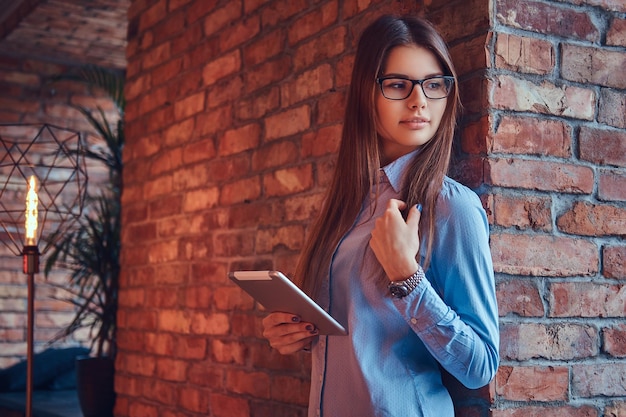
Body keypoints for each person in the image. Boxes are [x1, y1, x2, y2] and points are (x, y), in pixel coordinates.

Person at [262, 14, 499, 417]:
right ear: (365, 95)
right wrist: (295, 333)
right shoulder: (344, 206)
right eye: (397, 84)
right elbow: (358, 339)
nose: (419, 100)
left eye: (434, 84)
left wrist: (407, 278)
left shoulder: (450, 207)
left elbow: (480, 366)